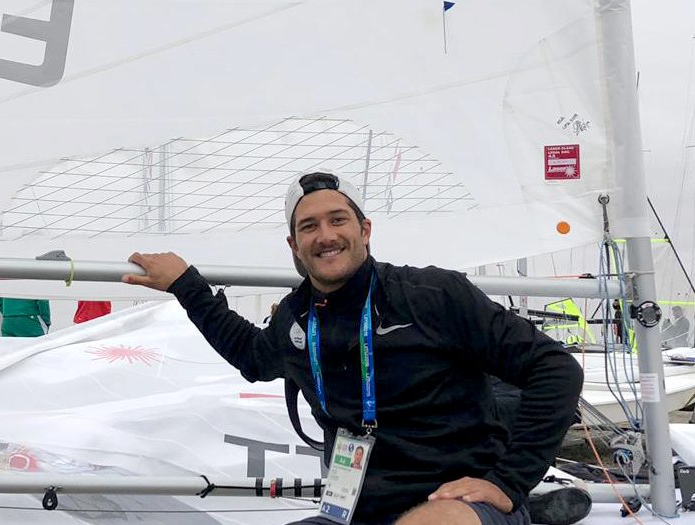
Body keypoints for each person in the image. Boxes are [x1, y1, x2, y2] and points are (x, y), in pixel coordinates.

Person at [123, 170, 584, 525]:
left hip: (457, 502)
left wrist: (507, 483)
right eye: (309, 226)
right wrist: (187, 286)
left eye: (337, 220)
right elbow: (251, 356)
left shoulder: (433, 295)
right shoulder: (296, 318)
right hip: (355, 510)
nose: (325, 235)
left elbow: (555, 368)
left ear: (365, 230)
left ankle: (527, 508)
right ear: (294, 245)